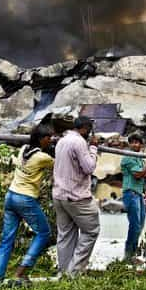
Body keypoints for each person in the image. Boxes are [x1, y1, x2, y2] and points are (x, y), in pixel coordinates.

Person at [0, 125, 55, 290]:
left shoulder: (24, 149)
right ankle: (22, 271)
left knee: (6, 241)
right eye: (49, 138)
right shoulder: (41, 157)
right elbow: (58, 163)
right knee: (44, 232)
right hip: (25, 198)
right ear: (41, 139)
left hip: (11, 196)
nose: (51, 140)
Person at [52, 116, 100, 276]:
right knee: (91, 231)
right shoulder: (79, 142)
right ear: (85, 129)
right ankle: (73, 272)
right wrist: (93, 148)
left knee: (66, 235)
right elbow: (89, 167)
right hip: (76, 197)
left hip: (59, 195)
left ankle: (63, 272)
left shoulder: (62, 140)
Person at [120, 133, 146, 260]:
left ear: (141, 144)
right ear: (129, 144)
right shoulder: (128, 157)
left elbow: (143, 175)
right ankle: (128, 255)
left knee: (140, 223)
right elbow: (138, 175)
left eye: (137, 142)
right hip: (130, 193)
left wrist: (145, 191)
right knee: (134, 225)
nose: (135, 144)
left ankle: (132, 253)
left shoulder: (139, 158)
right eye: (132, 142)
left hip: (138, 194)